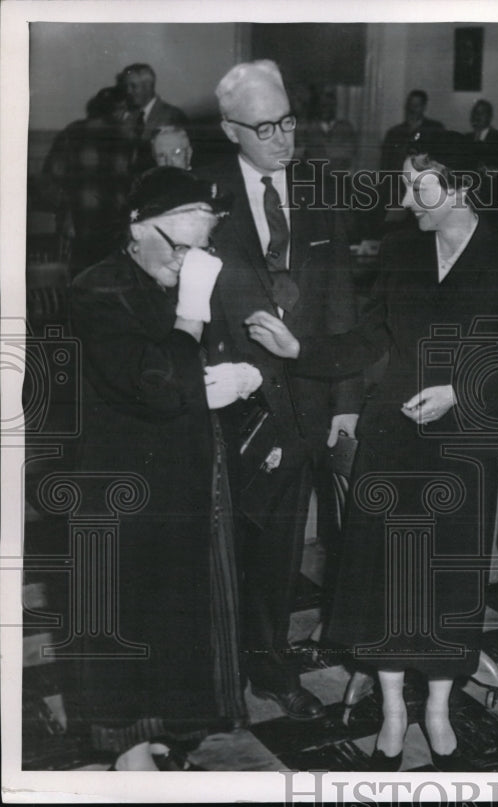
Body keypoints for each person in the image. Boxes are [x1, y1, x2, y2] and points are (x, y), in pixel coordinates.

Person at [244, 130, 498, 771]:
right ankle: (391, 709)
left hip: (461, 443)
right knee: (384, 579)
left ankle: (436, 707)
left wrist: (459, 392)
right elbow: (370, 337)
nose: (408, 198)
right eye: (406, 183)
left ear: (460, 186)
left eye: (420, 185)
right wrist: (301, 352)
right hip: (391, 434)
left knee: (447, 583)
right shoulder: (402, 249)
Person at [68, 166, 257, 770]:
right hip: (122, 485)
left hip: (185, 476)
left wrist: (245, 376)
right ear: (134, 226)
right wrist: (193, 316)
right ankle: (124, 750)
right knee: (126, 609)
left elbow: (212, 362)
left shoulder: (179, 272)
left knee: (177, 610)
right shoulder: (97, 289)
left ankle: (159, 735)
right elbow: (155, 386)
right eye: (178, 245)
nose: (188, 261)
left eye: (202, 248)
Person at [201, 60, 363, 722]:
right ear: (230, 129)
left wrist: (347, 400)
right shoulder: (206, 199)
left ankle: (267, 661)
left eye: (288, 121)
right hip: (226, 404)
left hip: (304, 405)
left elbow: (341, 304)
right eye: (264, 126)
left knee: (279, 547)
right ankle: (214, 679)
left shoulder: (321, 190)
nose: (282, 138)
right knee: (219, 546)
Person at [40, 85, 136, 275]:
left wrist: (66, 207)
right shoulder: (128, 139)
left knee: (75, 286)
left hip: (76, 229)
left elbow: (47, 182)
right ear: (121, 112)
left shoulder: (71, 133)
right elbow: (133, 188)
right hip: (116, 231)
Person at [378, 90, 445, 232]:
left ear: (424, 106)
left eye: (417, 105)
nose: (413, 109)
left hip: (426, 192)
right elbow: (385, 166)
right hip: (398, 192)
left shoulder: (435, 130)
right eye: (410, 105)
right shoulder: (394, 133)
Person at [464, 99, 498, 227]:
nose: (477, 117)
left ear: (489, 116)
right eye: (475, 113)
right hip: (465, 201)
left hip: (489, 201)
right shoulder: (465, 139)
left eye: (482, 113)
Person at [119, 63, 187, 140]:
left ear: (148, 86)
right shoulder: (129, 118)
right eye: (126, 87)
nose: (128, 91)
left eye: (133, 86)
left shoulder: (171, 116)